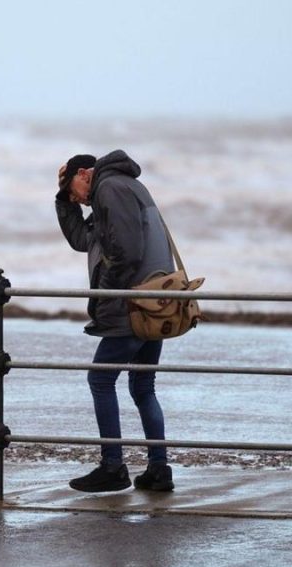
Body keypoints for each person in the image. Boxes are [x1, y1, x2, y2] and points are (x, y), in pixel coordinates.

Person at [55, 149, 175, 493]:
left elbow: (128, 250)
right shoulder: (125, 185)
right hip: (155, 299)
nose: (77, 201)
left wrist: (109, 294)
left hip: (133, 302)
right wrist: (62, 201)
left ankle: (112, 467)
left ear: (83, 175)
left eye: (72, 193)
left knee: (100, 380)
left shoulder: (110, 189)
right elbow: (84, 240)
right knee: (142, 386)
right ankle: (158, 470)